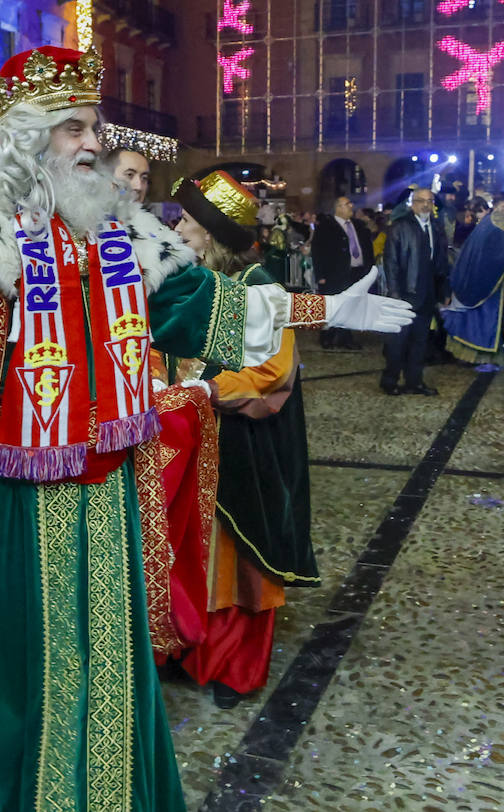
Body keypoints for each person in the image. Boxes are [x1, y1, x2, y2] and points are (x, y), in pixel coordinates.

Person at [0, 44, 411, 811]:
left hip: (116, 502)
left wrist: (326, 308)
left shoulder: (125, 240)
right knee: (38, 679)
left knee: (115, 675)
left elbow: (207, 305)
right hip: (29, 510)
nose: (93, 142)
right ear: (28, 140)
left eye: (95, 126)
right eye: (73, 128)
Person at [168, 169, 320, 707]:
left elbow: (271, 374)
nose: (179, 230)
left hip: (245, 445)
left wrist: (203, 387)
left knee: (239, 560)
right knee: (195, 553)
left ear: (210, 233)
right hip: (195, 445)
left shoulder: (261, 290)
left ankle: (234, 665)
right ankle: (193, 650)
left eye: (187, 221)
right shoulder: (197, 282)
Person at [380, 187, 450, 395]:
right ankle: (390, 381)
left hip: (427, 295)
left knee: (420, 342)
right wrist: (394, 295)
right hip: (404, 294)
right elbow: (390, 263)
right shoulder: (400, 227)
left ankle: (415, 382)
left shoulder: (436, 228)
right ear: (412, 203)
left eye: (429, 201)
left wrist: (443, 290)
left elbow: (440, 263)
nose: (425, 205)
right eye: (421, 201)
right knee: (397, 342)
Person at [442, 202, 504, 362]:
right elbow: (495, 262)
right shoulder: (498, 233)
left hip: (471, 278)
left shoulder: (490, 222)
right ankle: (481, 356)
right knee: (482, 320)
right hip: (484, 286)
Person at [311, 194, 373, 351]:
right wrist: (321, 275)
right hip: (335, 273)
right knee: (334, 306)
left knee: (350, 306)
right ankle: (327, 336)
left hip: (356, 272)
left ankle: (346, 338)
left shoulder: (357, 225)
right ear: (338, 208)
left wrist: (368, 269)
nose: (351, 206)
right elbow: (318, 252)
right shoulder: (326, 226)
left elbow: (366, 247)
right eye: (347, 204)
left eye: (351, 204)